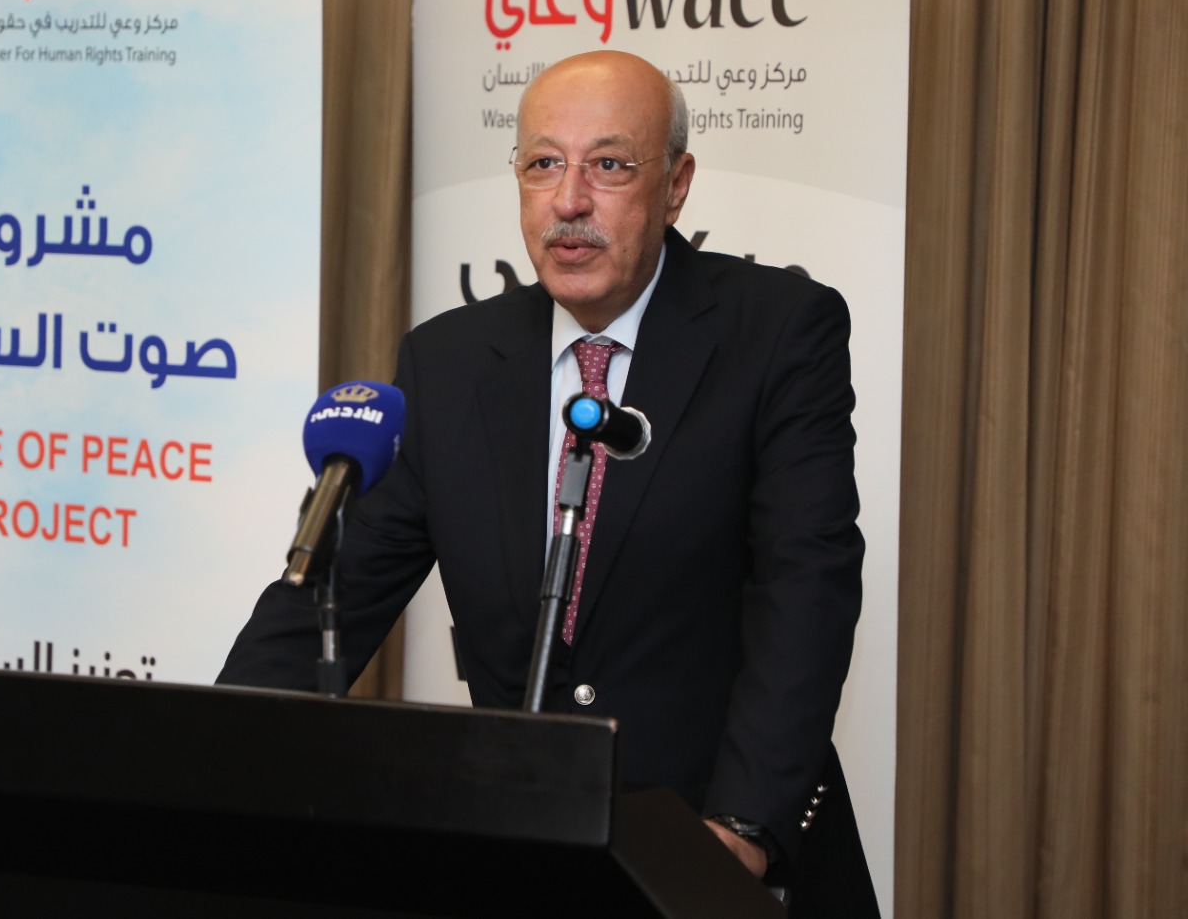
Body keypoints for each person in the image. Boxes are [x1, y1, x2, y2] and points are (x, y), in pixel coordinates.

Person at [219, 50, 877, 914]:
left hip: (713, 856)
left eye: (609, 165)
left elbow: (807, 588)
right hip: (527, 855)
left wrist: (738, 835)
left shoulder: (778, 331)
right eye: (542, 165)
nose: (569, 201)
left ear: (676, 186)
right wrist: (212, 762)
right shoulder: (450, 362)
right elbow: (332, 599)